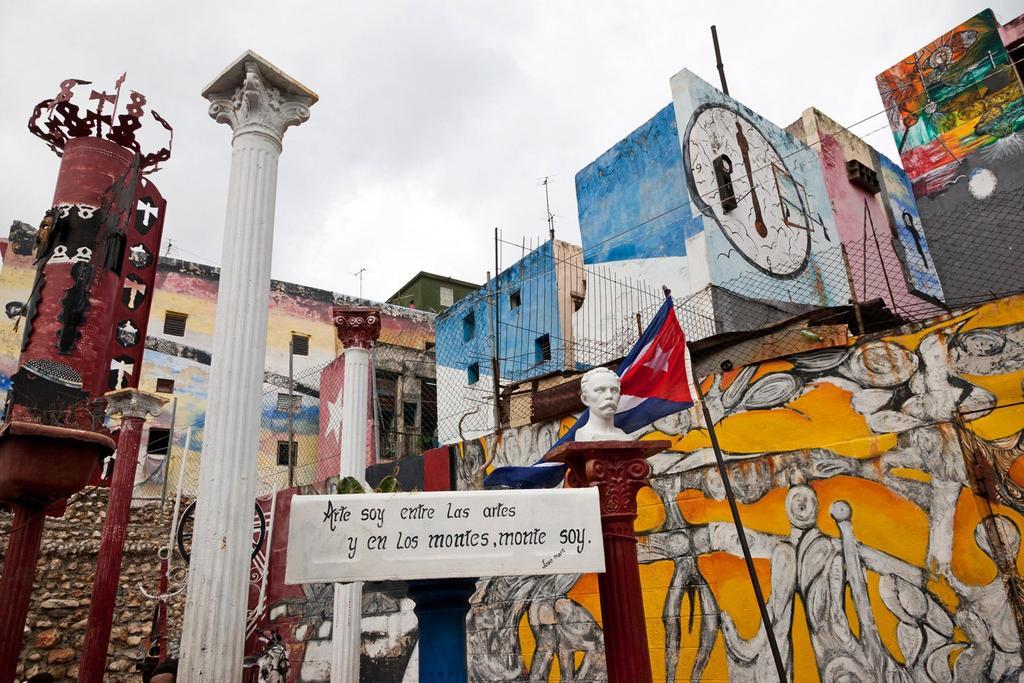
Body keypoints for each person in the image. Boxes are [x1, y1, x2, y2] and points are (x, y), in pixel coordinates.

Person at [575, 366, 629, 442]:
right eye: (600, 390)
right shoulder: (584, 435)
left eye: (614, 391)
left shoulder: (625, 437)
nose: (609, 396)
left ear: (619, 398)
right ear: (585, 399)